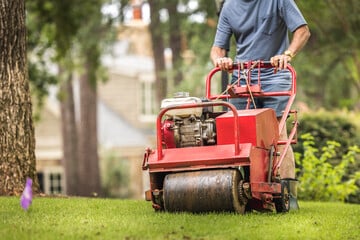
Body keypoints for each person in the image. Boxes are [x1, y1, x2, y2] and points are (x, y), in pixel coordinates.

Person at [210, 0, 310, 210]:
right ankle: (243, 192)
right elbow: (217, 49)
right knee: (238, 135)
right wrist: (221, 61)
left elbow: (302, 31)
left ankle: (287, 195)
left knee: (277, 132)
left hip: (275, 73)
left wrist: (287, 54)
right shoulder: (229, 6)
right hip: (242, 75)